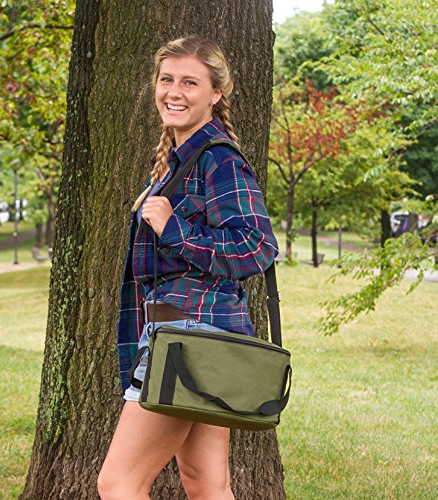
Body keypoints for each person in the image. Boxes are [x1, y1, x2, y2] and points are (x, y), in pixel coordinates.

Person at [97, 35, 278, 499]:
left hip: (189, 339)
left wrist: (174, 229)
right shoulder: (179, 162)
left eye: (190, 83)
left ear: (216, 93)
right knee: (206, 485)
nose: (173, 92)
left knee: (118, 484)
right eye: (166, 80)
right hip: (195, 337)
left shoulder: (218, 160)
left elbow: (257, 246)